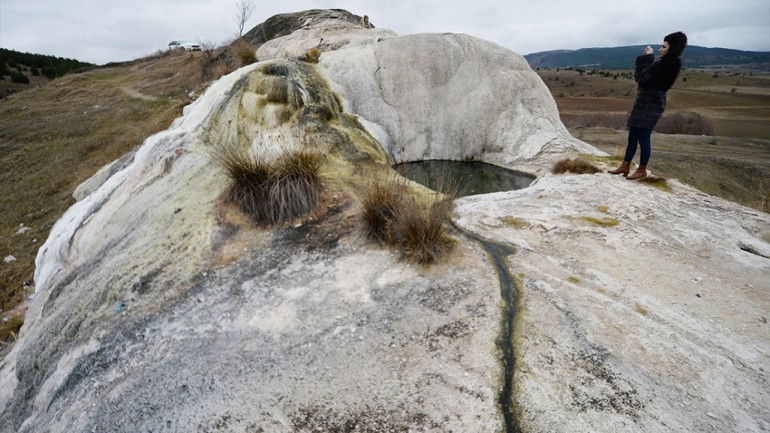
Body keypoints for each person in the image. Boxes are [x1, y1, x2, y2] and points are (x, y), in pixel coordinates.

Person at [608, 31, 687, 180]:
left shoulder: (669, 65)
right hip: (643, 103)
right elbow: (644, 78)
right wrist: (649, 60)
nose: (660, 49)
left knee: (644, 137)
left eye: (664, 47)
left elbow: (641, 77)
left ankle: (642, 169)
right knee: (633, 136)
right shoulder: (664, 63)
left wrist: (648, 57)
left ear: (673, 48)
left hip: (652, 105)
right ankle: (625, 165)